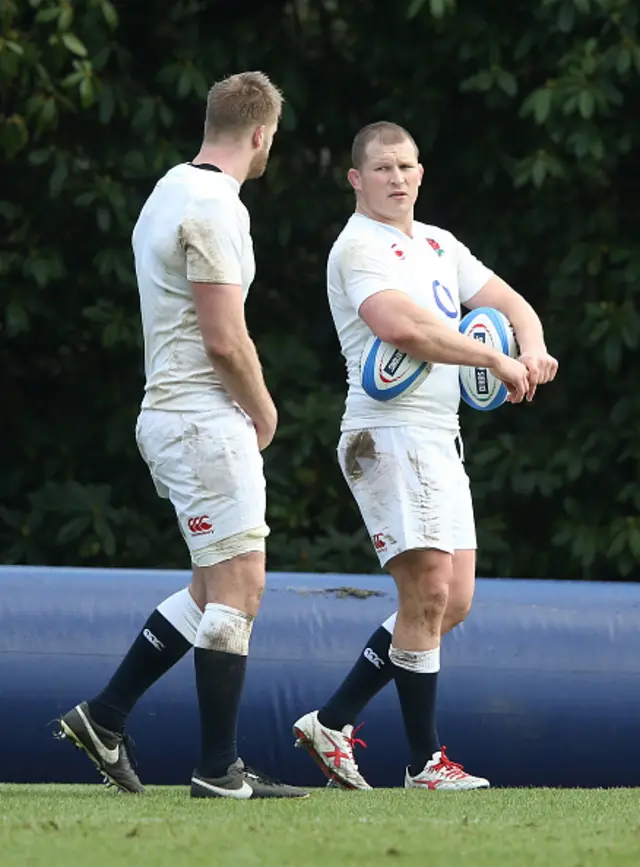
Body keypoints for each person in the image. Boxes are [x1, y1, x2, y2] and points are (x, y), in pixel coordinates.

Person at [57, 71, 307, 800]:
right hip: (200, 417)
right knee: (242, 586)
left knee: (208, 589)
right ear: (261, 134)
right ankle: (219, 768)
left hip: (171, 415)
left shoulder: (169, 188)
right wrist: (263, 409)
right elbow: (224, 338)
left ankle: (103, 717)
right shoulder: (214, 208)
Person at [293, 121, 558, 791]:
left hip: (440, 435)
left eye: (407, 166)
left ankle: (333, 719)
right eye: (382, 168)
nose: (398, 178)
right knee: (430, 590)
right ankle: (423, 764)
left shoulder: (438, 243)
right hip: (386, 433)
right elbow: (401, 327)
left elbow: (506, 300)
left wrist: (530, 344)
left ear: (420, 171)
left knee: (452, 600)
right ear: (356, 178)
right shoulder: (358, 247)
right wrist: (493, 357)